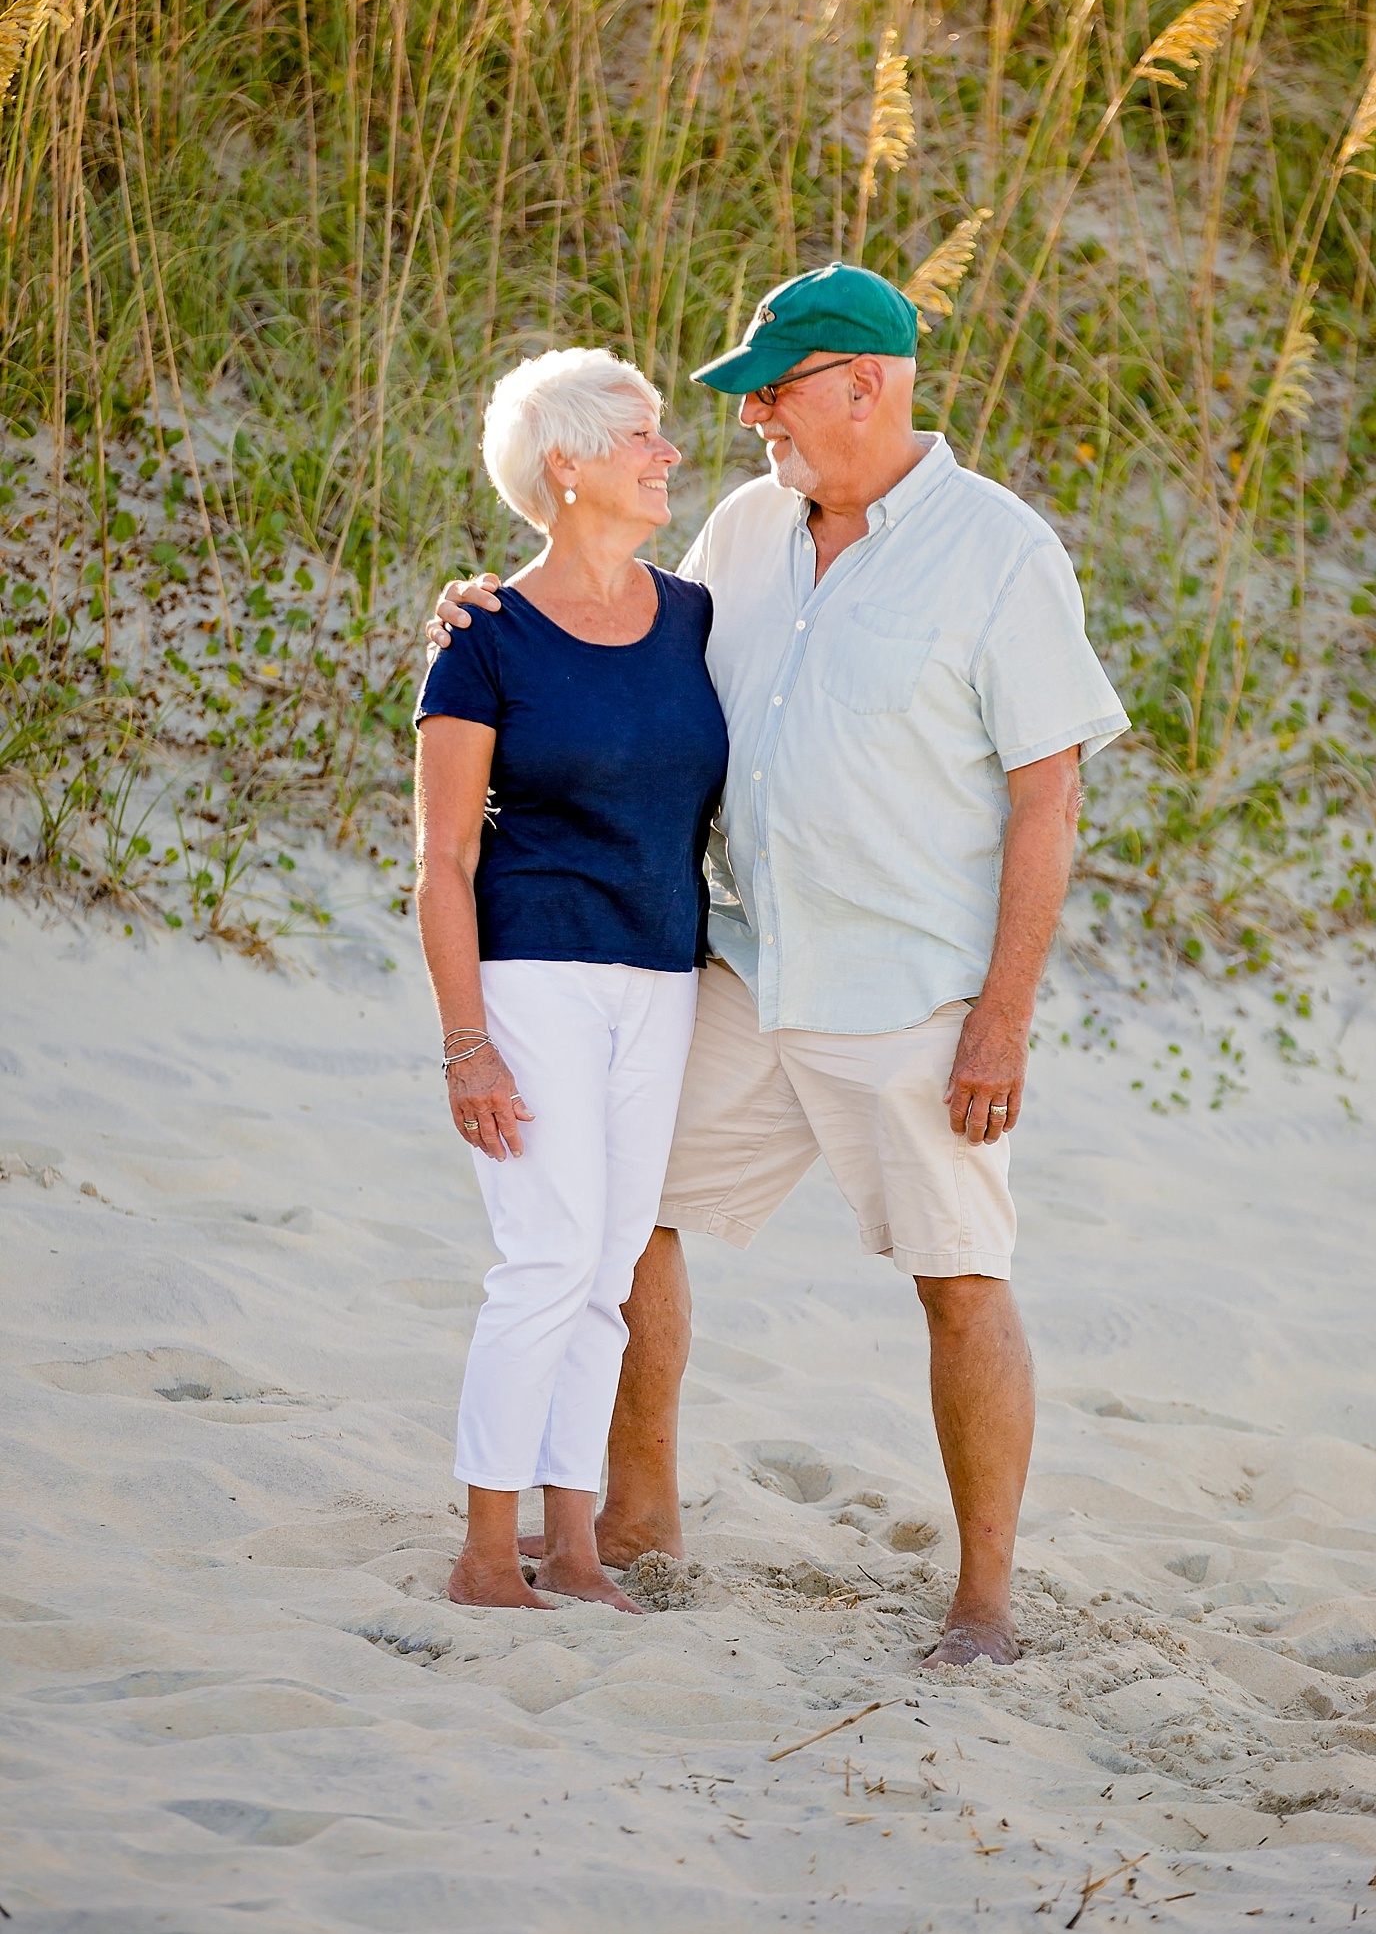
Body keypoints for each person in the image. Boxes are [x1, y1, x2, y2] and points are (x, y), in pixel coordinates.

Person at [428, 265, 1127, 1665]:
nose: (749, 415)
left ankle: (984, 1598)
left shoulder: (1002, 552)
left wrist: (1003, 1015)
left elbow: (1048, 800)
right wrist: (484, 604)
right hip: (746, 968)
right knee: (635, 1220)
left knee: (960, 1274)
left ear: (863, 383)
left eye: (774, 388)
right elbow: (607, 620)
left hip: (915, 994)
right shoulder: (745, 532)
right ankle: (635, 1518)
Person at [413, 346, 728, 1613]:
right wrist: (464, 1041)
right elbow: (439, 861)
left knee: (605, 1269)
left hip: (664, 974)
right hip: (532, 969)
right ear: (568, 465)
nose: (667, 455)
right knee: (544, 1259)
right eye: (643, 435)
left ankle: (577, 1545)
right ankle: (489, 1553)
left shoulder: (695, 616)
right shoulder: (482, 641)